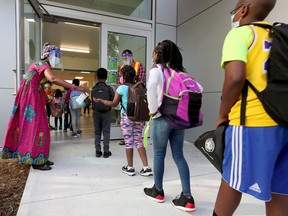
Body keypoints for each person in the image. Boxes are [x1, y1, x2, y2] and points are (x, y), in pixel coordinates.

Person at [214, 1, 288, 215]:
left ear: (243, 9)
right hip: (284, 124)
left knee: (232, 180)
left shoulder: (240, 34)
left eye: (234, 10)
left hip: (251, 123)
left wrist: (222, 115)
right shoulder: (279, 36)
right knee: (280, 190)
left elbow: (235, 77)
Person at [1, 42, 89, 171]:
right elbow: (52, 79)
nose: (58, 58)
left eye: (59, 55)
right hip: (29, 97)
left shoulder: (41, 66)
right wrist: (77, 87)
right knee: (36, 127)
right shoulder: (40, 64)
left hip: (34, 97)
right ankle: (36, 160)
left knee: (41, 127)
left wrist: (49, 101)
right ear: (48, 54)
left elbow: (40, 86)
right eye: (56, 55)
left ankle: (40, 157)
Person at [143, 40, 195, 212]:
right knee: (179, 156)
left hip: (162, 118)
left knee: (159, 154)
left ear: (157, 54)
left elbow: (151, 88)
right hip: (178, 118)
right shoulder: (178, 72)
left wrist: (152, 111)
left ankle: (157, 191)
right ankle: (187, 197)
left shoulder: (156, 70)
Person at [94, 65, 152, 176]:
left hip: (127, 118)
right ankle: (146, 167)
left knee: (129, 142)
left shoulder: (121, 88)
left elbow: (114, 103)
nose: (119, 77)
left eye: (120, 75)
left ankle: (130, 168)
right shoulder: (138, 87)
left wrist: (102, 101)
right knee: (138, 141)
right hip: (138, 118)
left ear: (124, 77)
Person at [117, 49, 146, 145]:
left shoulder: (138, 65)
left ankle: (136, 138)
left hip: (135, 95)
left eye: (127, 56)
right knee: (126, 115)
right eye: (124, 56)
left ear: (132, 56)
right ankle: (127, 138)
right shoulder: (120, 67)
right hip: (125, 95)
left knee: (136, 114)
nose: (125, 58)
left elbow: (142, 80)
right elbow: (118, 81)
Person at [92, 68, 115, 158]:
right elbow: (113, 99)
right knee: (106, 132)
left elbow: (92, 100)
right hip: (106, 112)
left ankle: (98, 151)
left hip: (96, 112)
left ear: (97, 77)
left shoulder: (93, 88)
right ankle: (106, 151)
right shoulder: (108, 88)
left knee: (97, 132)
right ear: (106, 77)